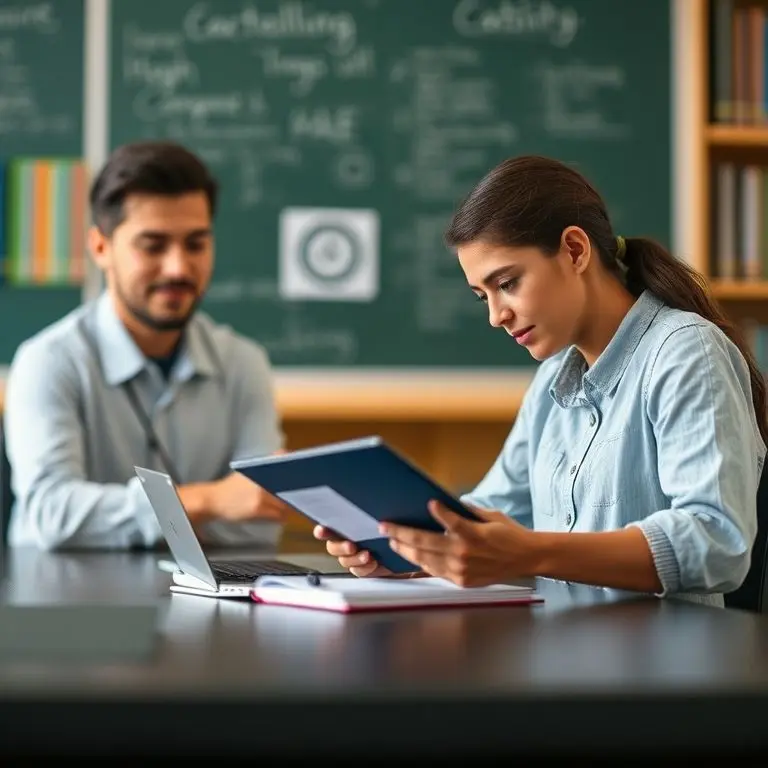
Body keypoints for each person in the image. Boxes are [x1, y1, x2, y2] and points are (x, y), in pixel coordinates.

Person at [315, 155, 768, 606]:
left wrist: (530, 552)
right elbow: (492, 515)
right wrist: (401, 550)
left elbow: (717, 543)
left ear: (574, 250)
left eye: (507, 283)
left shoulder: (685, 351)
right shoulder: (553, 378)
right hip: (561, 645)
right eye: (483, 297)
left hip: (664, 651)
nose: (496, 316)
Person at [4, 140, 290, 550]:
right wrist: (208, 501)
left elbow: (259, 518)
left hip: (205, 590)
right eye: (153, 246)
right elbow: (53, 514)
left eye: (196, 244)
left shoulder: (243, 363)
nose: (178, 267)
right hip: (65, 590)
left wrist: (115, 521)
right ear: (101, 248)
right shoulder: (49, 362)